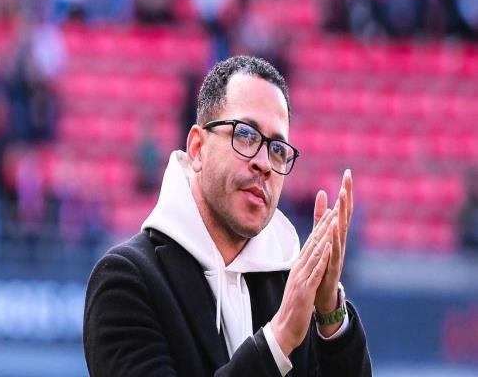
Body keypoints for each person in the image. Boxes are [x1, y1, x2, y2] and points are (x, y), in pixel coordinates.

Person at [83, 56, 372, 376]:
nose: (264, 163)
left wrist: (330, 313)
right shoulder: (126, 280)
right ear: (197, 149)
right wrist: (276, 342)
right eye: (246, 135)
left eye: (278, 149)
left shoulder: (291, 286)